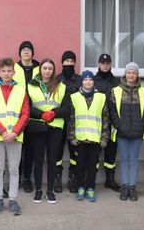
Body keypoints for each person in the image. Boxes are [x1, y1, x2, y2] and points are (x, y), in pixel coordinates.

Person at [0, 57, 30, 216]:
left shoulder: (21, 90)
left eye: (9, 71)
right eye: (3, 71)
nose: (6, 73)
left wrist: (15, 132)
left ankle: (12, 200)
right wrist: (4, 132)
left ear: (14, 72)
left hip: (15, 137)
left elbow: (25, 114)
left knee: (13, 170)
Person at [27, 58, 69, 204]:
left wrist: (54, 113)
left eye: (50, 68)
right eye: (44, 68)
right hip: (37, 127)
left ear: (53, 71)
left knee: (52, 160)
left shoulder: (61, 86)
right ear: (40, 70)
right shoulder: (30, 85)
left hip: (55, 127)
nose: (47, 71)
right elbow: (26, 107)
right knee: (38, 160)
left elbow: (67, 108)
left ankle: (50, 191)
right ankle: (38, 190)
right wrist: (40, 114)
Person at [109, 62, 144, 201]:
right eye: (129, 72)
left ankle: (132, 187)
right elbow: (112, 111)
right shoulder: (116, 90)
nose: (131, 75)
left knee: (134, 160)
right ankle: (125, 186)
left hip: (137, 132)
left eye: (134, 72)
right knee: (124, 160)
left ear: (137, 75)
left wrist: (142, 125)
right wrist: (119, 125)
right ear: (125, 74)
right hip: (122, 132)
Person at [68, 70, 110, 202]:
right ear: (82, 82)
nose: (88, 82)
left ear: (93, 81)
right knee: (80, 165)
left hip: (95, 139)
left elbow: (105, 119)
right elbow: (71, 119)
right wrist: (72, 137)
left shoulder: (101, 97)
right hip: (79, 139)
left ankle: (91, 188)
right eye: (85, 79)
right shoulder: (74, 97)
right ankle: (81, 187)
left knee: (93, 166)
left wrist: (104, 138)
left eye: (90, 79)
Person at [13, 40, 40, 193]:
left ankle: (27, 179)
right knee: (17, 149)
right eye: (23, 49)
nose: (26, 51)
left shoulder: (39, 68)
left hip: (35, 113)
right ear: (20, 53)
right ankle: (16, 178)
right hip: (17, 114)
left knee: (30, 149)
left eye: (29, 49)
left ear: (32, 52)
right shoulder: (14, 68)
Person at [55, 50, 82, 193]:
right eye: (67, 61)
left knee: (74, 152)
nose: (69, 64)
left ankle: (73, 179)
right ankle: (57, 178)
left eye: (72, 62)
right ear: (62, 63)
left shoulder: (80, 80)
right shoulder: (57, 79)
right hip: (59, 120)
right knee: (57, 151)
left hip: (75, 121)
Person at [93, 53, 121, 192]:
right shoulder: (92, 80)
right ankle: (91, 179)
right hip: (95, 122)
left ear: (110, 64)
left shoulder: (117, 82)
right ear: (98, 64)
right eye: (103, 63)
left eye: (107, 63)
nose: (105, 65)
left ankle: (110, 179)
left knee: (111, 152)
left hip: (112, 122)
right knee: (94, 152)